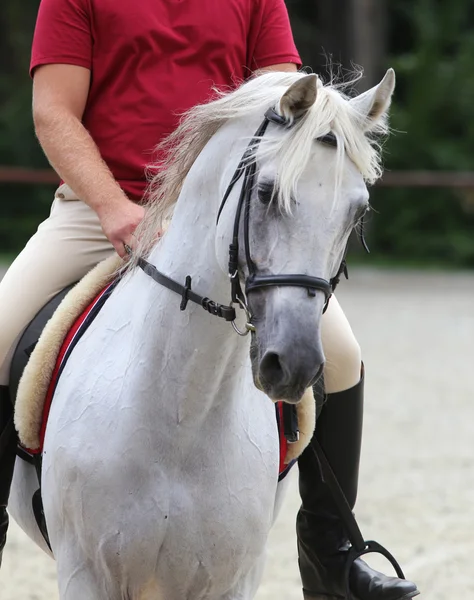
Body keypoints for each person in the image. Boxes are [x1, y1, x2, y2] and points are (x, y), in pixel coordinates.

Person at [0, 1, 418, 598]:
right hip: (99, 210)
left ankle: (334, 555)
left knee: (343, 356)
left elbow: (290, 105)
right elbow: (54, 112)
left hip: (225, 217)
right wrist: (114, 208)